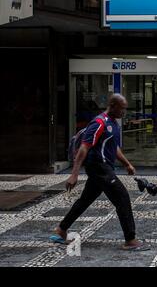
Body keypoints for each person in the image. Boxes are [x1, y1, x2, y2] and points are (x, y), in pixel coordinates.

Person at [51, 94, 144, 250]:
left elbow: (113, 148)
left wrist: (127, 164)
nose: (124, 112)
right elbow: (83, 148)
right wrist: (74, 174)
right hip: (98, 167)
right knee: (122, 197)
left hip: (104, 168)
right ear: (113, 105)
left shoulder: (114, 124)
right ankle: (130, 240)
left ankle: (61, 230)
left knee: (84, 201)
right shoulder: (99, 123)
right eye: (122, 108)